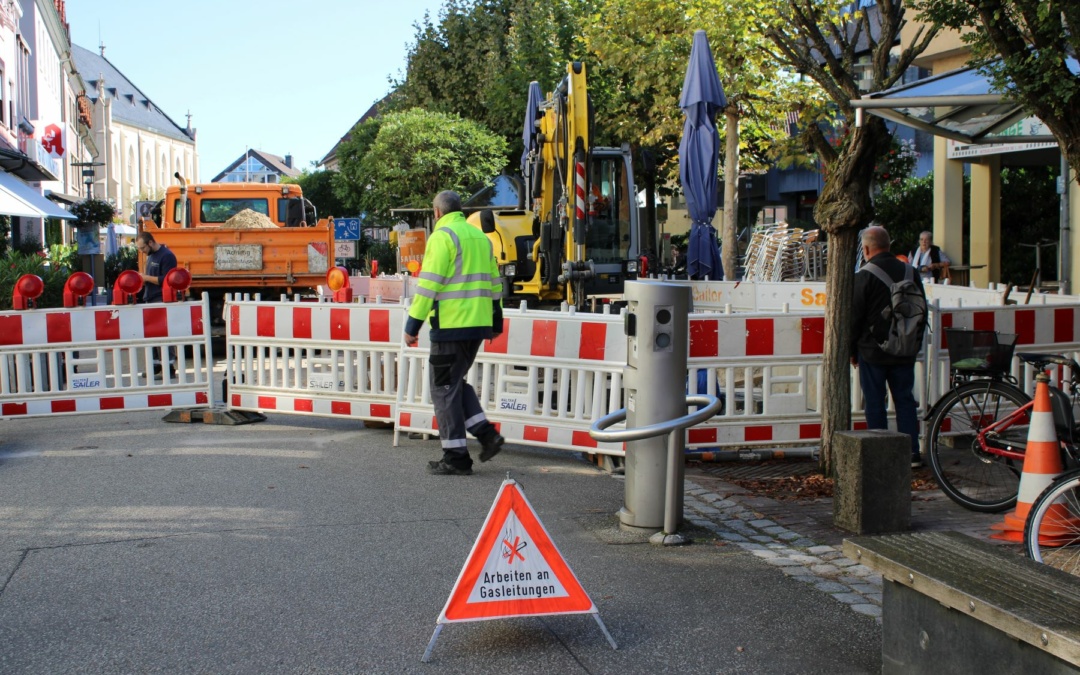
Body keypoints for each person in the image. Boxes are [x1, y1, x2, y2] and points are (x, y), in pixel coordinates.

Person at [404, 190, 505, 476]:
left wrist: (412, 326)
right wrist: (496, 320)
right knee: (454, 383)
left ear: (437, 212)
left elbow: (428, 286)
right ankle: (486, 435)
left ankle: (456, 457)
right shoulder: (481, 239)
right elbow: (495, 283)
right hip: (477, 326)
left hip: (451, 326)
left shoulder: (442, 237)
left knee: (443, 390)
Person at [852, 225, 926, 467]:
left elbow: (855, 317)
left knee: (875, 402)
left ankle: (880, 454)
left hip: (872, 351)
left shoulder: (864, 275)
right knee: (905, 400)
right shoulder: (910, 272)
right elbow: (921, 309)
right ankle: (911, 453)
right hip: (905, 349)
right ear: (888, 245)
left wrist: (852, 350)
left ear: (866, 249)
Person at [136, 231, 178, 377]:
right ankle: (155, 365)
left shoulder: (167, 256)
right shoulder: (151, 255)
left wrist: (146, 278)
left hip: (161, 299)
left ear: (150, 243)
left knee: (163, 334)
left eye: (143, 248)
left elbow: (167, 279)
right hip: (151, 298)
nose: (142, 251)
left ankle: (169, 367)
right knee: (151, 334)